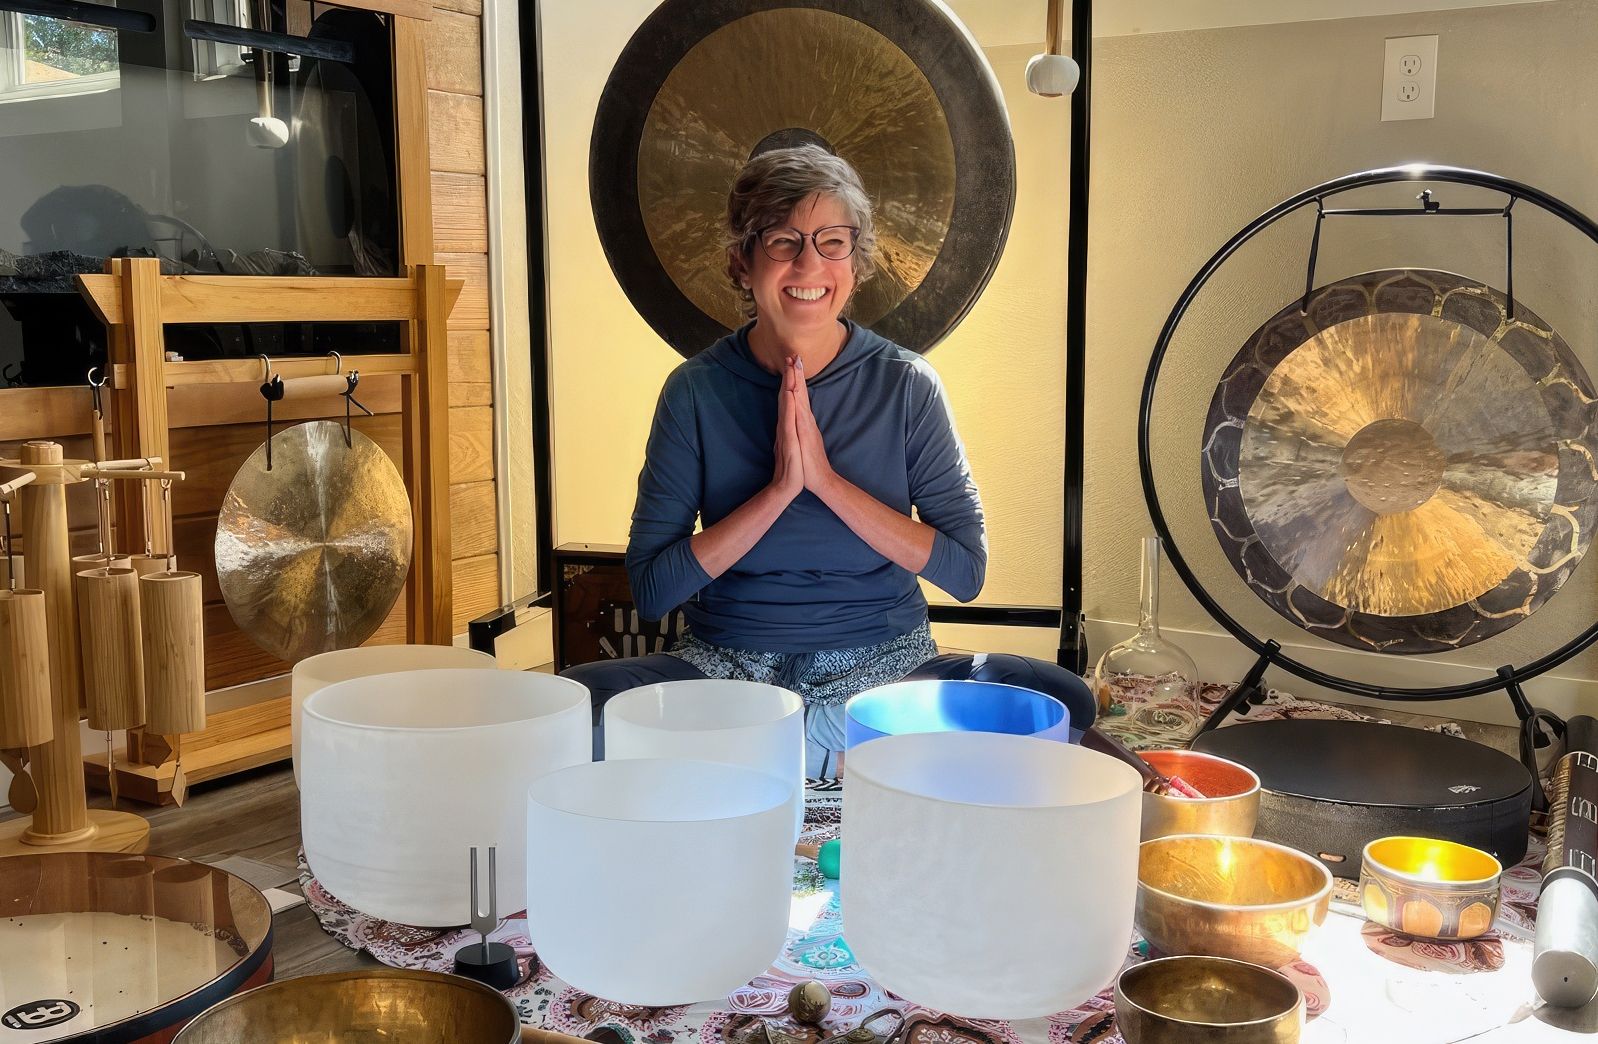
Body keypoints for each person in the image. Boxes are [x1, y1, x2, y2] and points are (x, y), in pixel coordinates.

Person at [563, 144, 1094, 776]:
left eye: (832, 242)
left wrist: (827, 482)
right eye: (783, 240)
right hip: (729, 671)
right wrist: (779, 491)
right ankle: (832, 752)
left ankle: (776, 749)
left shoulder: (906, 385)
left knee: (1055, 695)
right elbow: (654, 591)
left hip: (881, 668)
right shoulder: (694, 392)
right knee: (571, 705)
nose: (810, 263)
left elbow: (965, 571)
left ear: (856, 262)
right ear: (741, 262)